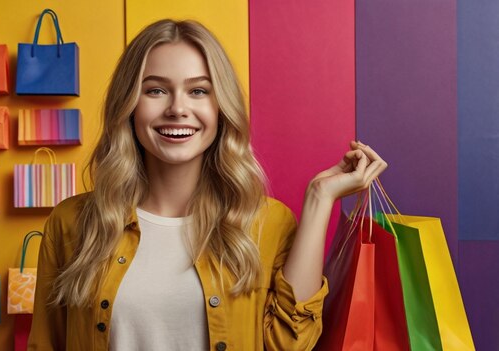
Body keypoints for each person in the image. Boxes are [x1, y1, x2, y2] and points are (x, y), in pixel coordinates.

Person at [27, 19, 387, 351]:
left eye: (198, 91)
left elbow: (290, 345)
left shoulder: (267, 223)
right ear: (129, 105)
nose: (177, 109)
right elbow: (45, 344)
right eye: (155, 91)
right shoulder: (72, 223)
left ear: (220, 107)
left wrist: (319, 199)